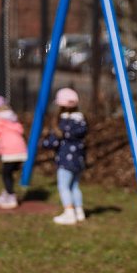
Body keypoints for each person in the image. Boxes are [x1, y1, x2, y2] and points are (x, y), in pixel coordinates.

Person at [42, 87, 88, 225]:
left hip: (65, 160)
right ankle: (79, 212)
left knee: (63, 186)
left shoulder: (62, 123)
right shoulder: (81, 120)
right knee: (75, 186)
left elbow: (54, 141)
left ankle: (69, 213)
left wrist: (44, 142)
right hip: (79, 160)